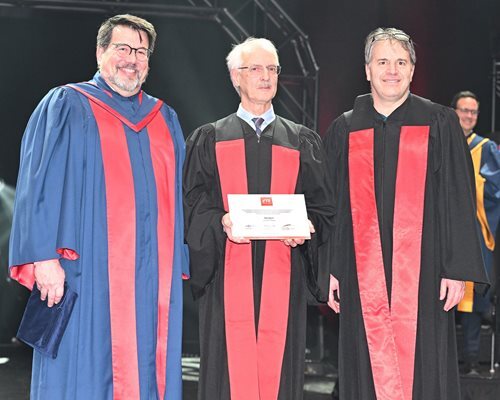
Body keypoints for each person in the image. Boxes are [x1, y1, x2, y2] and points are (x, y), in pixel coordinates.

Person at [9, 14, 188, 400]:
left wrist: (179, 260)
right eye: (123, 48)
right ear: (100, 51)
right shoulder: (68, 105)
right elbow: (37, 186)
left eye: (141, 52)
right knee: (81, 368)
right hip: (83, 270)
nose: (132, 59)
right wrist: (43, 258)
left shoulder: (164, 119)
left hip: (151, 276)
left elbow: (178, 197)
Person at [323, 27, 489, 400]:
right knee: (363, 361)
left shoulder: (440, 123)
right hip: (358, 273)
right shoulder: (345, 128)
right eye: (382, 61)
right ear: (367, 70)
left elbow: (459, 200)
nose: (392, 70)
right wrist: (329, 268)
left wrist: (456, 269)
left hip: (425, 274)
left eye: (401, 62)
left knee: (424, 365)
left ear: (413, 70)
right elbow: (330, 206)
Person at [183, 37, 335, 400]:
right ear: (236, 77)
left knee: (279, 368)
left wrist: (307, 230)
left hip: (285, 275)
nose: (266, 77)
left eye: (273, 69)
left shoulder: (302, 141)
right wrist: (221, 222)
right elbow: (192, 203)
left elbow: (324, 209)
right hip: (225, 274)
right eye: (256, 68)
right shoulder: (209, 139)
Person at [452, 90, 500, 374]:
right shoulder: (439, 142)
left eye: (473, 112)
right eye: (463, 110)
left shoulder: (486, 148)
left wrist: (476, 189)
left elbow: (495, 191)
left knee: (473, 299)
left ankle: (470, 361)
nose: (468, 116)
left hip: (473, 233)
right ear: (453, 111)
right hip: (443, 233)